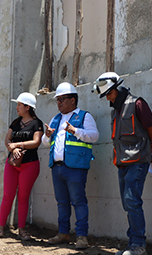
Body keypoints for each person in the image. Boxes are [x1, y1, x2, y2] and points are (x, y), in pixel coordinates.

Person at [93, 72, 152, 255]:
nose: (107, 97)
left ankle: (138, 245)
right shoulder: (116, 109)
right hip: (122, 163)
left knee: (132, 201)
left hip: (138, 161)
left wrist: (148, 147)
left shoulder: (137, 103)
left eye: (108, 93)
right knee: (127, 203)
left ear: (116, 89)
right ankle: (132, 245)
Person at [41, 82, 99, 250]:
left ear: (73, 100)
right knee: (62, 202)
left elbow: (94, 136)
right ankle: (63, 233)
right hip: (57, 167)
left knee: (78, 201)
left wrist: (76, 131)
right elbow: (46, 143)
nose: (59, 103)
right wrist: (46, 136)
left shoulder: (84, 116)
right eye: (57, 100)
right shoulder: (56, 118)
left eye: (62, 99)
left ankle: (81, 236)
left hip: (75, 167)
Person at [0, 92, 43, 241]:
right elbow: (7, 139)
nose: (17, 108)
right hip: (12, 164)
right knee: (8, 195)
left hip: (30, 165)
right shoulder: (15, 122)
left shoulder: (37, 123)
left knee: (23, 197)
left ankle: (21, 230)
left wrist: (18, 144)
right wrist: (12, 148)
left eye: (19, 105)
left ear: (27, 107)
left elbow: (36, 142)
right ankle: (0, 227)